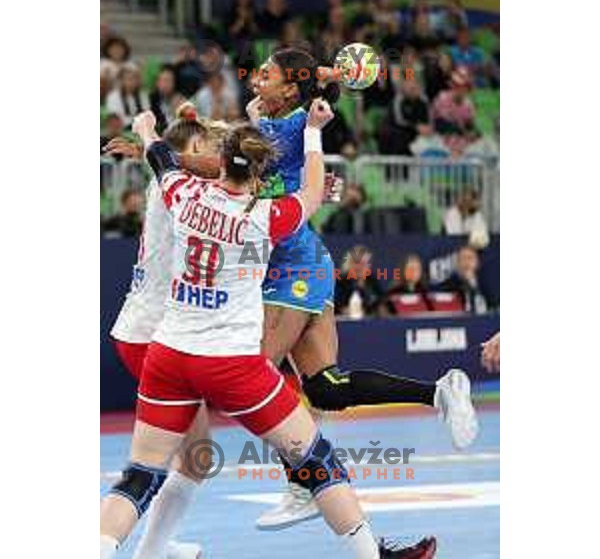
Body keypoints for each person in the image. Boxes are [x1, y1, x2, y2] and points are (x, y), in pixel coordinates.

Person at [100, 107, 437, 559]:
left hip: (170, 349)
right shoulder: (263, 217)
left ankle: (132, 548)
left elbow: (168, 160)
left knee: (149, 472)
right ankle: (368, 552)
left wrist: (146, 134)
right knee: (313, 457)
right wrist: (312, 135)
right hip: (223, 358)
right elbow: (309, 191)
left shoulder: (181, 193)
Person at [246, 48, 478, 530]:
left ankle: (305, 479)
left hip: (295, 268)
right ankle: (440, 391)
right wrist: (323, 78)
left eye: (264, 75)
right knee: (326, 390)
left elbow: (297, 122)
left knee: (253, 376)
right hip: (303, 263)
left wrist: (324, 91)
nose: (254, 81)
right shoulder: (275, 119)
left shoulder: (292, 125)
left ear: (289, 88)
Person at [104, 106, 223, 559]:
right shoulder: (183, 186)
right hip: (154, 337)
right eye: (208, 148)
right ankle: (145, 550)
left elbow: (177, 158)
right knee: (180, 458)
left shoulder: (170, 180)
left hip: (146, 330)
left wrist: (148, 147)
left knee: (194, 454)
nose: (217, 156)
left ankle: (156, 546)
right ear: (190, 151)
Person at [334, 246, 387, 318]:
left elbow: (381, 302)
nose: (359, 267)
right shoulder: (341, 282)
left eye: (363, 263)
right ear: (349, 264)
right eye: (356, 263)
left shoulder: (372, 282)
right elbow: (334, 305)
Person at [439, 245, 492, 314]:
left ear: (477, 262)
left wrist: (472, 283)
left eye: (470, 258)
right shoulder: (447, 286)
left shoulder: (488, 285)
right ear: (457, 263)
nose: (466, 262)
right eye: (462, 258)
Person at [105, 62, 150, 127]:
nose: (133, 82)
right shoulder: (113, 97)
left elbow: (146, 115)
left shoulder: (143, 96)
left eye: (135, 78)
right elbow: (115, 119)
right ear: (121, 80)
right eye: (129, 79)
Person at [149, 64, 184, 133]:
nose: (163, 85)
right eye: (160, 80)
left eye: (167, 80)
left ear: (175, 82)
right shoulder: (152, 99)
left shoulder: (181, 101)